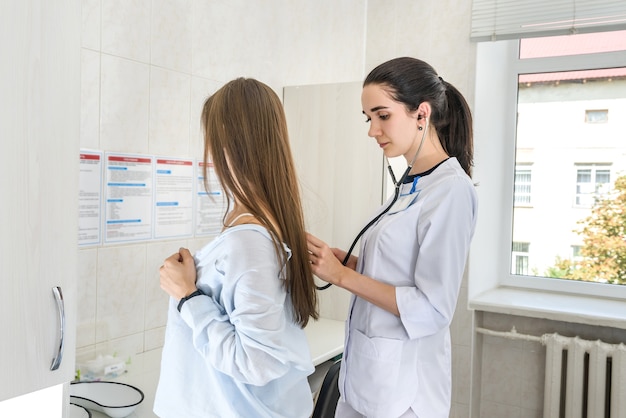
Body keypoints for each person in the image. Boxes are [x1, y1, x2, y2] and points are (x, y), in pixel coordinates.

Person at [306, 57, 478, 418]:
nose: (372, 130)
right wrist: (348, 263)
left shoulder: (451, 191)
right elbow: (397, 270)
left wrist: (343, 277)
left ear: (421, 114)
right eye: (369, 118)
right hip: (369, 379)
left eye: (382, 116)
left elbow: (432, 308)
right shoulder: (411, 184)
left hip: (404, 393)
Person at [154, 77, 319, 418]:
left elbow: (258, 362)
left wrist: (187, 296)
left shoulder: (249, 241)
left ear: (228, 142)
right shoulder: (264, 225)